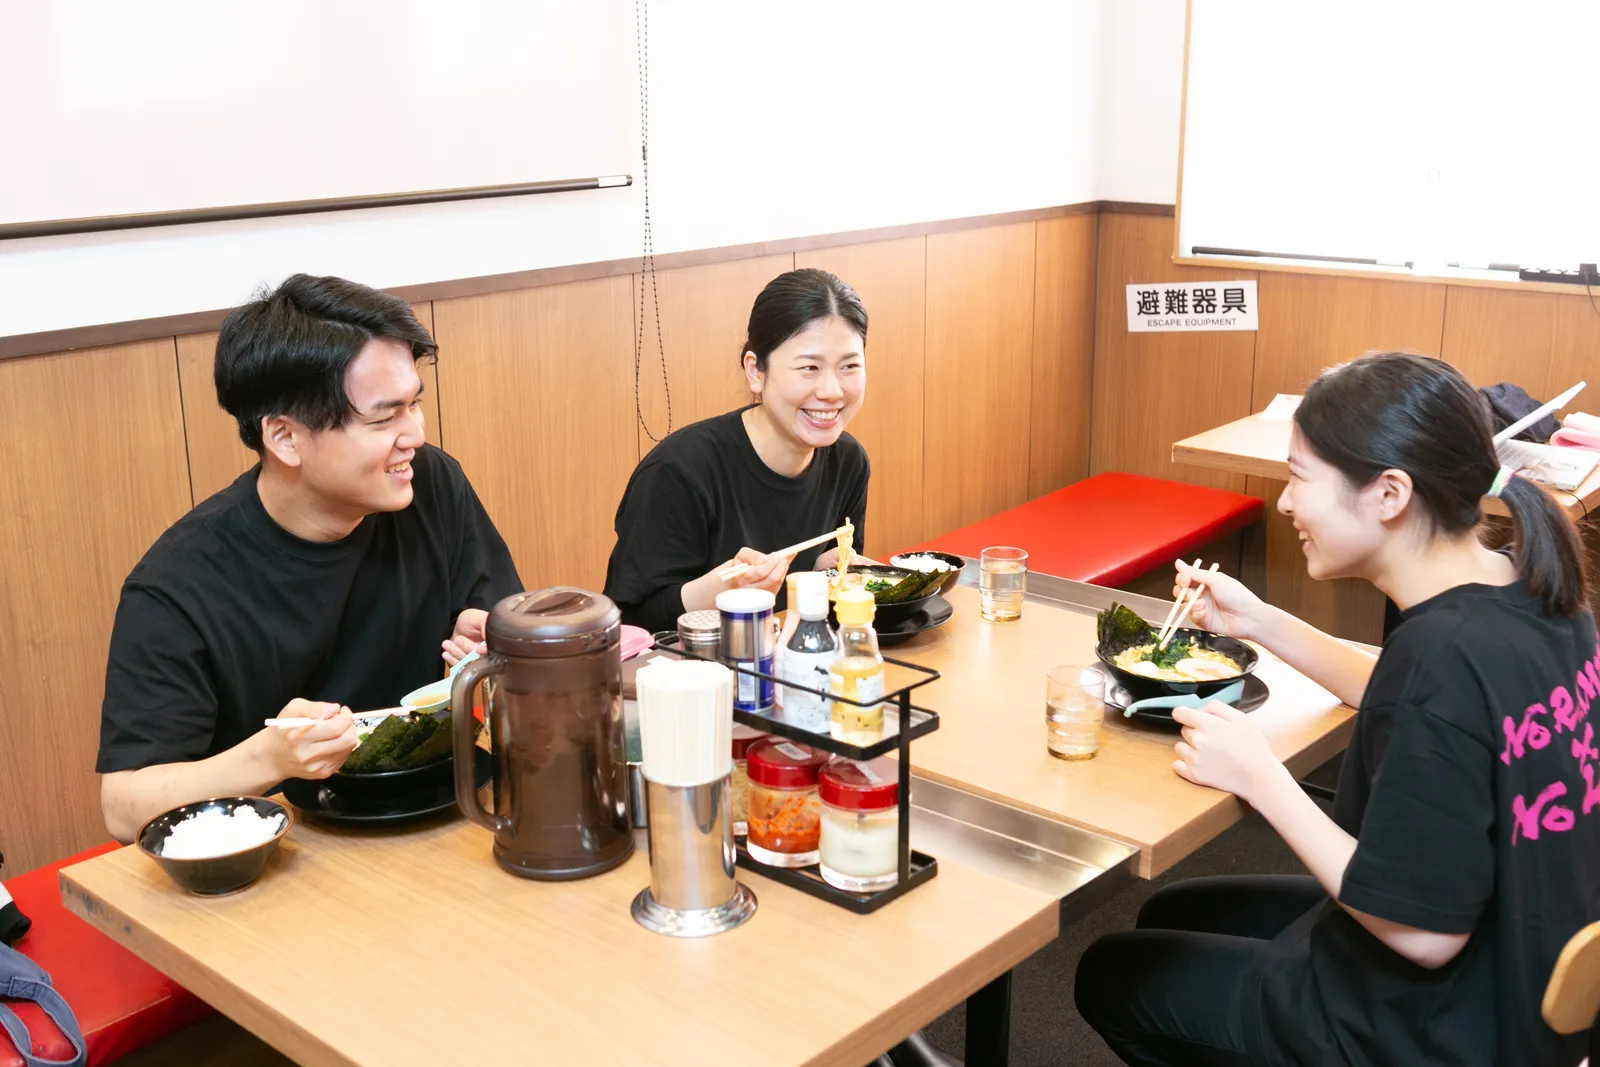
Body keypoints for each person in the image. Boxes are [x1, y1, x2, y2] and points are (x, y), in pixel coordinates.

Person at [1075, 352, 1599, 1067]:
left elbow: (1422, 933)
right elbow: (1429, 702)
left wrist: (1263, 778)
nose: (1286, 503)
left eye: (1298, 477)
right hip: (1522, 963)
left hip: (1439, 1024)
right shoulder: (1533, 588)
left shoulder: (1440, 657)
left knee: (1111, 971)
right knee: (1173, 910)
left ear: (1389, 493)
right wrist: (1261, 622)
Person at [97, 274, 521, 841]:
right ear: (285, 439)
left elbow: (501, 643)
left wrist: (489, 653)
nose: (415, 435)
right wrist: (272, 758)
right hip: (283, 855)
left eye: (415, 405)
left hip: (437, 817)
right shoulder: (179, 584)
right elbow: (124, 806)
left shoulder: (430, 484)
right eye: (383, 418)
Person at [604, 268, 871, 633]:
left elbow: (828, 592)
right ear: (755, 371)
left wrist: (831, 573)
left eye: (849, 366)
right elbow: (630, 625)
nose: (832, 391)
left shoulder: (848, 461)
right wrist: (725, 590)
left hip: (792, 663)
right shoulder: (680, 471)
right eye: (809, 367)